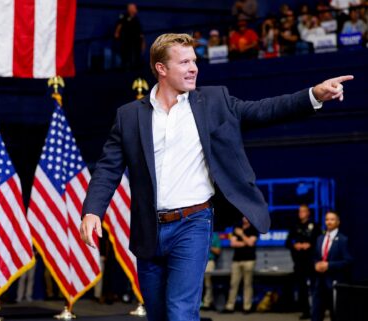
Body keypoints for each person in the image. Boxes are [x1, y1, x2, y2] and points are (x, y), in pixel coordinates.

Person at [79, 32, 353, 321]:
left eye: (194, 61)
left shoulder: (214, 101)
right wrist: (93, 210)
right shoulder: (129, 115)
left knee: (180, 311)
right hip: (148, 228)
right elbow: (108, 167)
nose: (194, 68)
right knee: (158, 314)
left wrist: (313, 95)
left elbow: (263, 110)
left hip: (194, 223)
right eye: (184, 62)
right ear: (161, 68)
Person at [312, 211, 352, 321]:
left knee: (336, 314)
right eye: (327, 219)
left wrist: (329, 265)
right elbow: (315, 256)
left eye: (332, 219)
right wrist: (316, 264)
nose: (329, 222)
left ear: (338, 222)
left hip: (334, 283)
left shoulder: (343, 240)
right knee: (316, 314)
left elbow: (348, 261)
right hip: (319, 283)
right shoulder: (320, 238)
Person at [285, 204, 322, 319]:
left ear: (308, 212)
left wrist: (309, 245)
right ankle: (305, 311)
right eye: (299, 211)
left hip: (311, 261)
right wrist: (295, 245)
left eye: (303, 211)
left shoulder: (315, 226)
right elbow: (287, 242)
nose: (301, 213)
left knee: (315, 287)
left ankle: (317, 310)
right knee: (302, 288)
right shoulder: (294, 226)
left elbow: (320, 242)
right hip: (299, 262)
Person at [223, 217, 258, 313]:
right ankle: (229, 307)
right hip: (236, 260)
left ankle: (247, 307)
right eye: (243, 216)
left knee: (247, 284)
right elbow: (232, 243)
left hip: (249, 260)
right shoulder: (237, 227)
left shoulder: (254, 228)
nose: (244, 218)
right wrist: (244, 242)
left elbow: (251, 243)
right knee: (233, 284)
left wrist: (241, 234)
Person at [114, 3, 145, 70]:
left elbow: (140, 32)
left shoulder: (136, 19)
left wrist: (142, 42)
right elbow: (119, 25)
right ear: (129, 9)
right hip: (126, 40)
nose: (135, 9)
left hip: (136, 41)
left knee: (136, 55)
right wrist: (117, 33)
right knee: (125, 55)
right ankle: (125, 67)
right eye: (133, 8)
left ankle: (135, 67)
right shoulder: (124, 16)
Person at [201, 232, 221, 310]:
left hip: (209, 261)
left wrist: (208, 245)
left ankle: (207, 303)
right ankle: (198, 303)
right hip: (197, 261)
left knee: (208, 284)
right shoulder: (198, 232)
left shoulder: (215, 235)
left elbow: (218, 251)